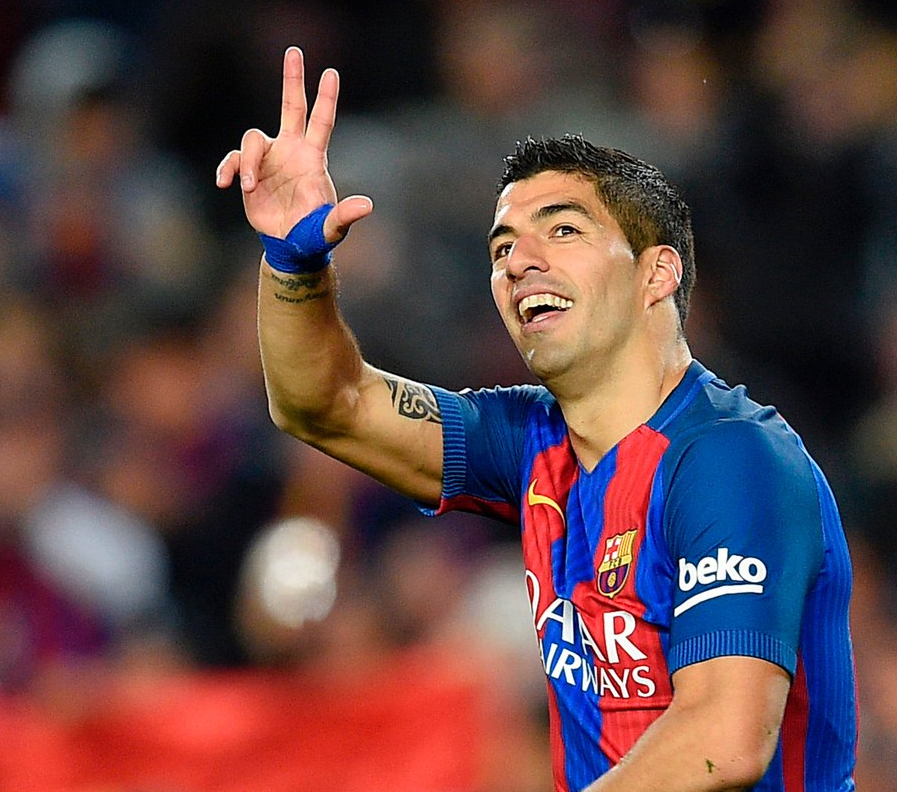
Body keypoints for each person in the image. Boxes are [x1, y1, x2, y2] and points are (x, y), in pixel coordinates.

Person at [216, 47, 856, 792]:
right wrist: (292, 262)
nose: (519, 261)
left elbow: (724, 740)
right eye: (502, 247)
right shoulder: (528, 442)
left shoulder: (729, 457)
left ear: (657, 272)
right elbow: (326, 404)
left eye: (563, 230)